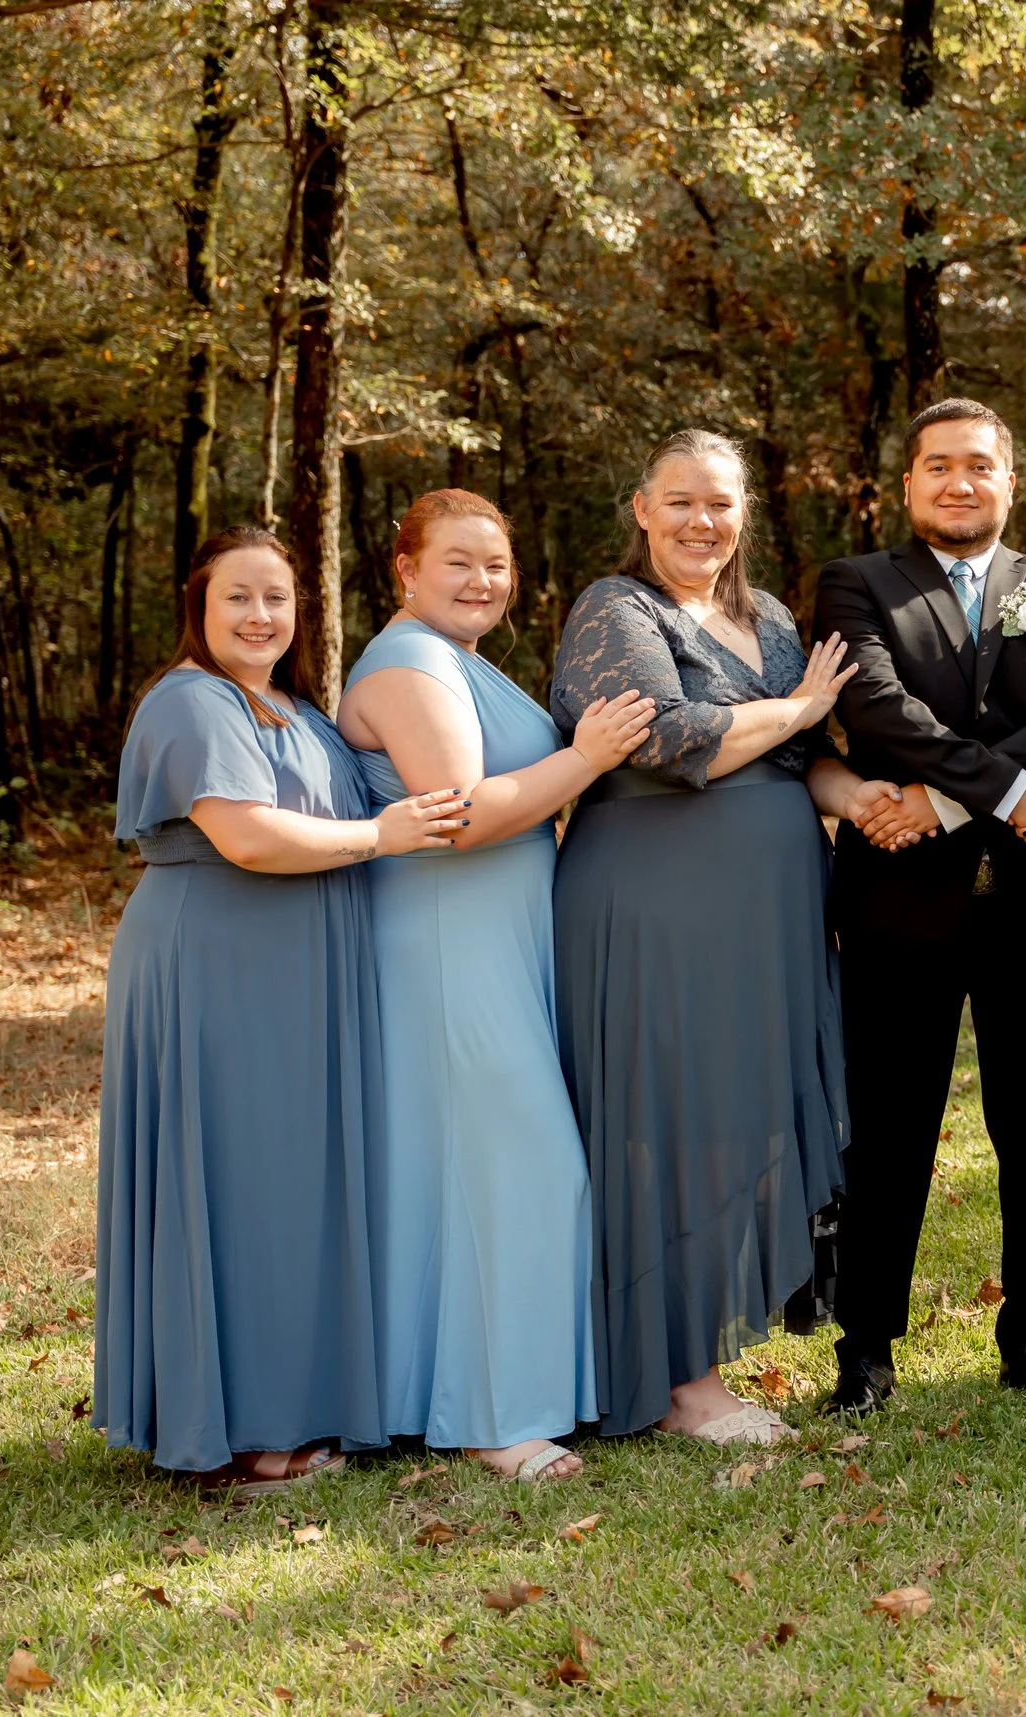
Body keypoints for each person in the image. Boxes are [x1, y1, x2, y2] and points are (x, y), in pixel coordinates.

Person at [96, 527, 467, 1492]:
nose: (262, 616)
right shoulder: (192, 700)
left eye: (279, 599)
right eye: (239, 598)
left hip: (298, 966)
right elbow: (249, 837)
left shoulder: (293, 708)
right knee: (237, 1181)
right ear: (200, 606)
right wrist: (380, 836)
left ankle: (291, 1399)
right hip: (220, 962)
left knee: (291, 1184)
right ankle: (230, 1429)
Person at [549, 429, 897, 1446]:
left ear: (745, 511)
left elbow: (804, 752)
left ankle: (695, 1354)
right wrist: (794, 712)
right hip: (660, 899)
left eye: (721, 502)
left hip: (773, 909)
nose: (703, 521)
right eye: (681, 501)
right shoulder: (615, 609)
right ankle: (672, 1380)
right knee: (663, 1122)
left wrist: (863, 792)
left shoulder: (771, 619)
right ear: (642, 509)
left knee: (733, 1123)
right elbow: (662, 738)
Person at [811, 398, 1026, 1416]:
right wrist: (1003, 789)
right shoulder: (857, 583)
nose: (959, 482)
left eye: (979, 466)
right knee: (890, 1122)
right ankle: (865, 1345)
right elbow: (875, 709)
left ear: (1009, 482)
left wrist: (953, 796)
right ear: (908, 484)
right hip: (900, 897)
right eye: (938, 466)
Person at [337, 491, 656, 1482]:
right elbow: (461, 815)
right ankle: (492, 1416)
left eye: (496, 565)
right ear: (405, 568)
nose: (482, 582)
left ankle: (439, 1395)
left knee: (463, 1173)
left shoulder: (459, 659)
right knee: (518, 1166)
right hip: (440, 938)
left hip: (495, 939)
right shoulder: (407, 661)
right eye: (458, 563)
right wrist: (586, 756)